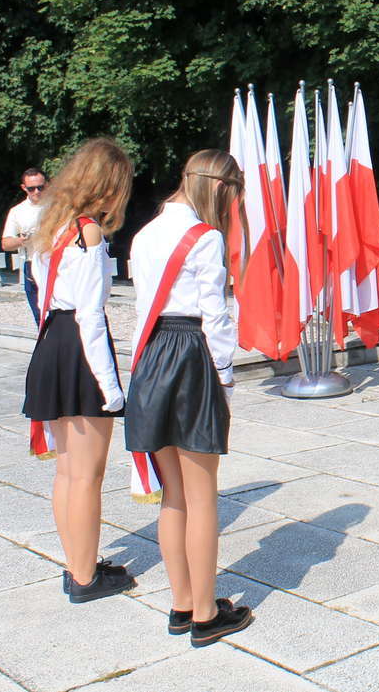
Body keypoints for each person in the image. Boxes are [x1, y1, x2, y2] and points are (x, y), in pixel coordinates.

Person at [125, 150, 254, 646]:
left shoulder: (145, 232)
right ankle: (206, 614)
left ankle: (182, 603)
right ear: (221, 188)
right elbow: (214, 317)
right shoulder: (207, 237)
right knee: (202, 497)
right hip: (191, 354)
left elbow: (141, 307)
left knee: (173, 494)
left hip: (152, 355)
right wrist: (223, 379)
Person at [21, 139, 134, 603]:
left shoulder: (51, 224)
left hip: (52, 342)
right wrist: (112, 389)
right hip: (80, 349)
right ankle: (86, 578)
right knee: (87, 475)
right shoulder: (87, 232)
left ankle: (77, 564)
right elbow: (91, 316)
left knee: (68, 472)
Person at [2, 167, 49, 325]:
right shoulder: (18, 211)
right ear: (24, 188)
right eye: (31, 189)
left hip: (58, 262)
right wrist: (22, 240)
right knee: (40, 315)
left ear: (47, 185)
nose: (36, 192)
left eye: (40, 187)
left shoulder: (58, 206)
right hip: (32, 263)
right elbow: (6, 243)